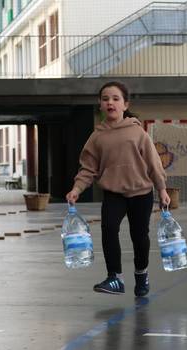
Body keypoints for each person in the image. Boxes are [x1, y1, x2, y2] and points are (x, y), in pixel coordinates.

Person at [66, 81, 169, 297]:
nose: (110, 102)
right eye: (105, 99)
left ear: (125, 104)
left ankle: (141, 274)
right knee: (109, 228)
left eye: (115, 98)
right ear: (100, 106)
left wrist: (162, 189)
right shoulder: (97, 137)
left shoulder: (137, 132)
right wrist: (77, 188)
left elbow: (153, 163)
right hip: (114, 193)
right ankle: (115, 278)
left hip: (141, 193)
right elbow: (88, 168)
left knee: (139, 236)